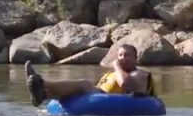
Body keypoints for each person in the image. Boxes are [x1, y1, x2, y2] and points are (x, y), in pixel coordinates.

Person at [23, 43, 157, 106]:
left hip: (126, 104)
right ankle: (43, 94)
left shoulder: (139, 74)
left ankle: (40, 83)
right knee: (83, 84)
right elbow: (100, 88)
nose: (122, 58)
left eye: (126, 55)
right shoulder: (112, 74)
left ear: (135, 58)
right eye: (120, 55)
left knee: (85, 84)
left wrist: (116, 66)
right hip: (104, 99)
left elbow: (125, 83)